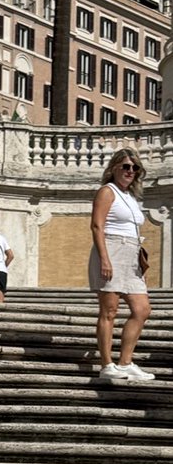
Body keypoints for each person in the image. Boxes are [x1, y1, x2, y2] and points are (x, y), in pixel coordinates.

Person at [88, 149, 154, 384]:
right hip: (112, 249)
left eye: (134, 168)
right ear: (114, 167)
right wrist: (105, 259)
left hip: (131, 253)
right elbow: (97, 226)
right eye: (126, 166)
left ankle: (126, 361)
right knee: (109, 311)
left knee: (142, 309)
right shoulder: (107, 191)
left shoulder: (132, 197)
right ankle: (107, 365)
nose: (130, 171)